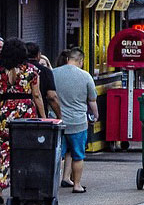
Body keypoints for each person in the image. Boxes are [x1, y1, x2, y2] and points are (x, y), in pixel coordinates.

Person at [0, 39, 45, 191]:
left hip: (3, 112)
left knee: (2, 149)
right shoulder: (31, 70)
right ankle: (22, 187)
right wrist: (43, 117)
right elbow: (37, 95)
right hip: (25, 112)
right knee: (25, 149)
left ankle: (0, 185)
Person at [53, 48, 97, 194]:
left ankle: (51, 185)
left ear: (67, 59)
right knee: (78, 156)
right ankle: (77, 185)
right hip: (78, 122)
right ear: (81, 61)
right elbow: (92, 100)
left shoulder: (53, 73)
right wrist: (95, 115)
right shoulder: (85, 76)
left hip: (56, 122)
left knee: (55, 156)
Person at [27, 42, 61, 119]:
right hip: (39, 114)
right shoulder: (45, 71)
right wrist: (59, 116)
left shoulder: (18, 70)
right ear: (38, 55)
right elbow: (51, 96)